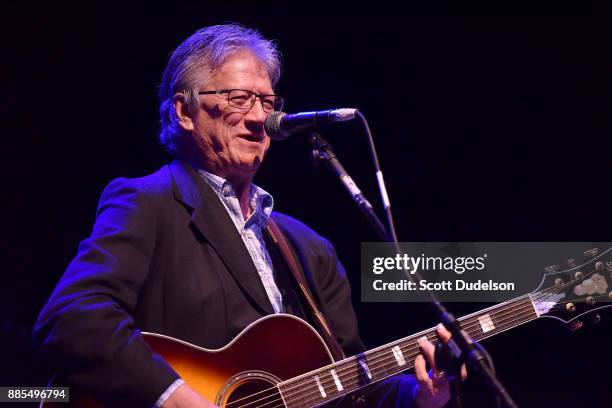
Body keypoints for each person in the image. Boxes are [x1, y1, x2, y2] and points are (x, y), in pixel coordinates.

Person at [34, 23, 462, 407]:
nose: (260, 117)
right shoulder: (149, 202)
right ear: (184, 111)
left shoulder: (309, 249)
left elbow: (352, 387)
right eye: (239, 98)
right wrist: (176, 398)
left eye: (268, 101)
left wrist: (422, 396)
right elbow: (72, 318)